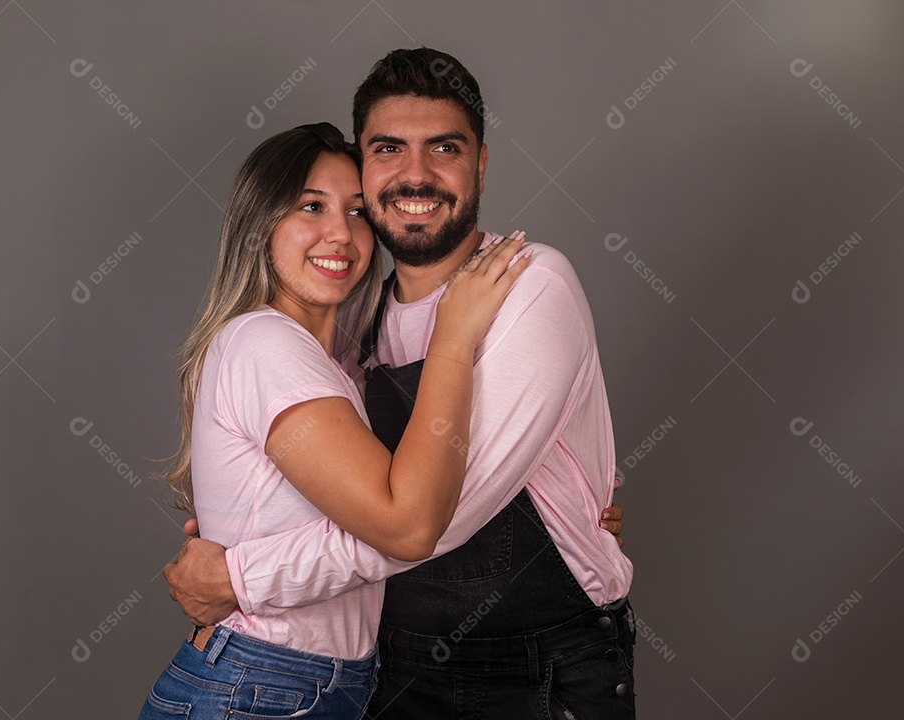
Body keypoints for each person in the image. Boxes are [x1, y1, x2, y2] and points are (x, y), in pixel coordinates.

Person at [165, 48, 636, 719]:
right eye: (389, 149)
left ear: (480, 163)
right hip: (394, 668)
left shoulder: (529, 286)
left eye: (444, 148)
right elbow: (379, 504)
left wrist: (240, 576)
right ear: (366, 163)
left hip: (536, 669)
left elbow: (430, 522)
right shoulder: (356, 326)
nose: (416, 174)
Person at [137, 121, 531, 719]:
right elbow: (407, 526)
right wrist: (454, 332)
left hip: (306, 686)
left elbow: (413, 504)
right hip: (260, 687)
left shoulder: (336, 365)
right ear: (260, 225)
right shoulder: (265, 343)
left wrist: (544, 520)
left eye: (355, 212)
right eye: (310, 207)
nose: (339, 234)